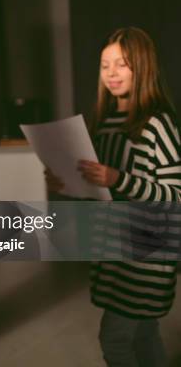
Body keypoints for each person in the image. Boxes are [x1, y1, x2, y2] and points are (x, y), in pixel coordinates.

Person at [46, 27, 179, 366]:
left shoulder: (157, 124)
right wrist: (71, 185)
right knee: (145, 334)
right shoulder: (104, 124)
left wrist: (118, 178)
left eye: (122, 64)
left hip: (146, 255)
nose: (111, 73)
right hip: (115, 250)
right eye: (105, 65)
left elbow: (175, 193)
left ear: (143, 67)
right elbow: (103, 193)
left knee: (115, 339)